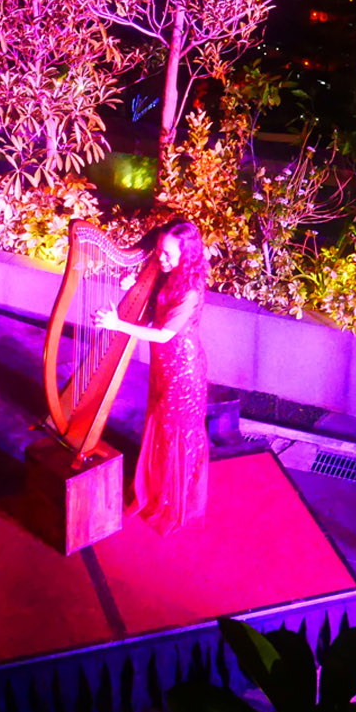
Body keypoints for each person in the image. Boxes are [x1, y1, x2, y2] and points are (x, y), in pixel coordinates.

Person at [94, 219, 210, 532]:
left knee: (175, 430)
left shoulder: (190, 289)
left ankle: (173, 498)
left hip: (183, 371)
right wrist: (132, 286)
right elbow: (152, 310)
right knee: (160, 424)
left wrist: (116, 324)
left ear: (188, 254)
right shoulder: (168, 273)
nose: (161, 259)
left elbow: (161, 334)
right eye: (159, 251)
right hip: (163, 366)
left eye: (169, 255)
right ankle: (157, 485)